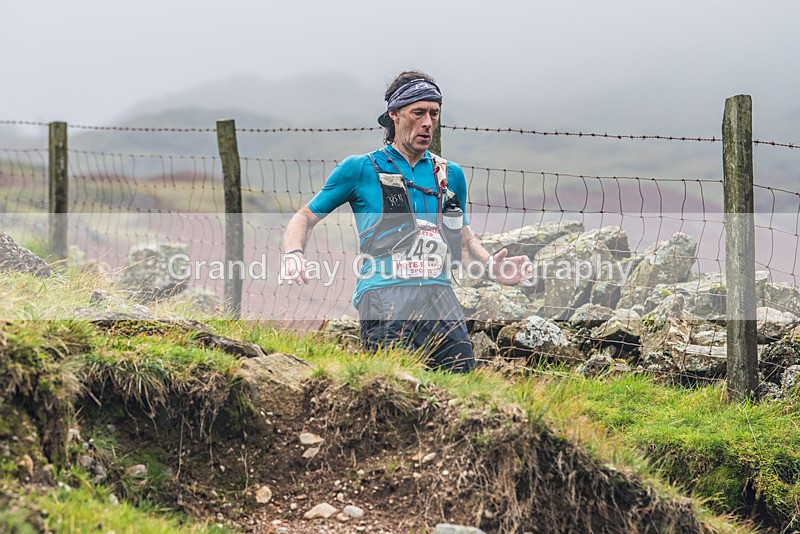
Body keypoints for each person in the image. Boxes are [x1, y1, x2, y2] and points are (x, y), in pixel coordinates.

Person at [281, 70, 530, 372]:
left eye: (434, 114)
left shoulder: (450, 175)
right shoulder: (360, 168)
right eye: (418, 113)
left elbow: (462, 242)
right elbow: (304, 218)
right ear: (394, 115)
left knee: (462, 385)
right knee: (391, 389)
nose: (427, 122)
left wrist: (491, 267)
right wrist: (294, 254)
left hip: (439, 295)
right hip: (384, 294)